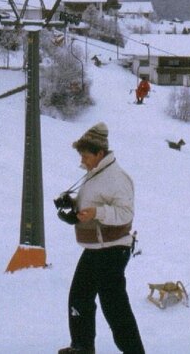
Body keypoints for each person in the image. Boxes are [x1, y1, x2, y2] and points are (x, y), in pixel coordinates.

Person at [59, 123, 145, 354]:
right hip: (97, 247)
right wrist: (72, 206)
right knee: (79, 298)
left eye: (85, 156)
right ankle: (82, 347)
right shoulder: (94, 175)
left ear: (99, 153)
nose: (82, 161)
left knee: (113, 305)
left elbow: (126, 213)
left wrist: (97, 213)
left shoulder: (117, 177)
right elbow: (93, 204)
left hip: (114, 248)